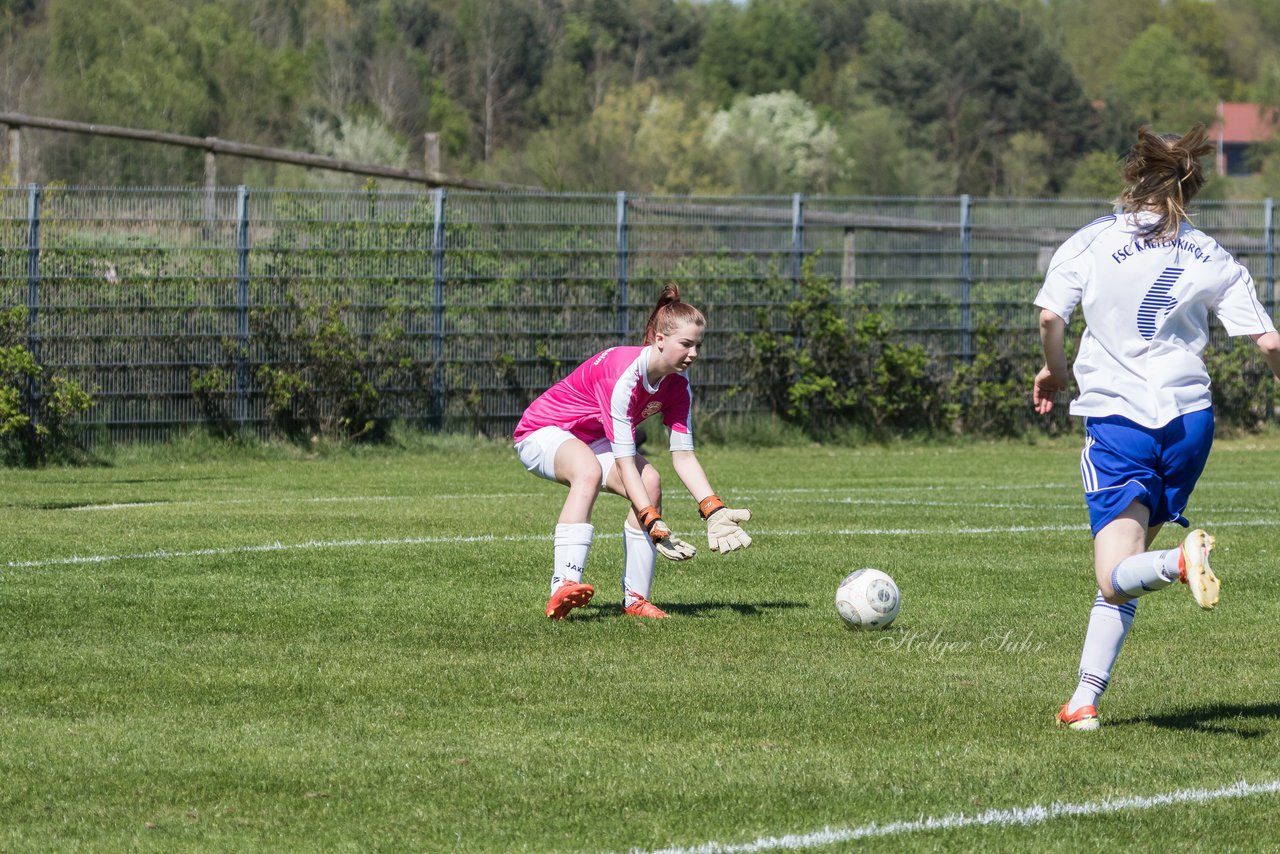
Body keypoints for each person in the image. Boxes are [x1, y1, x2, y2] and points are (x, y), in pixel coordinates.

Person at [1033, 123, 1280, 732]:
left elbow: (1049, 318)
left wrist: (1054, 371)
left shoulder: (1090, 241)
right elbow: (1269, 340)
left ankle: (1176, 564)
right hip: (1190, 423)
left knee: (1116, 571)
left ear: (1131, 173)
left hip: (1119, 422)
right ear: (1188, 188)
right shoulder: (1212, 253)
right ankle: (1084, 701)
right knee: (1121, 577)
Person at [513, 284, 754, 620]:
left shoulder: (678, 385)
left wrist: (712, 508)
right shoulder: (623, 375)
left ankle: (635, 600)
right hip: (541, 432)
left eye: (698, 345)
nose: (694, 353)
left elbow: (683, 456)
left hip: (591, 438)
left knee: (651, 482)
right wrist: (652, 520)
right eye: (685, 344)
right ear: (658, 339)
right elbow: (625, 461)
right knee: (588, 471)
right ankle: (564, 585)